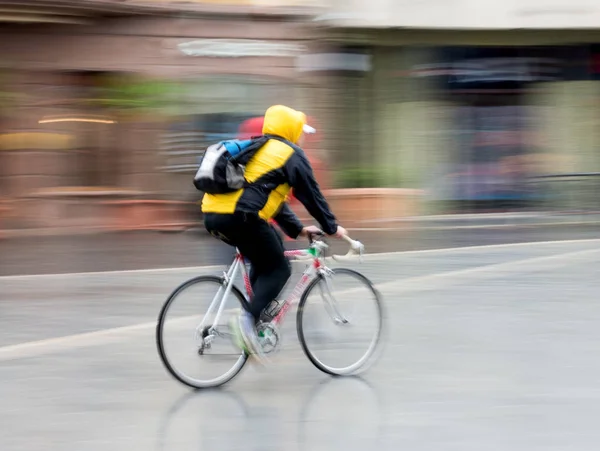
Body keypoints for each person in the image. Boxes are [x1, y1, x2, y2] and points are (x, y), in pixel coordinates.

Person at [202, 105, 347, 360]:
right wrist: (332, 227)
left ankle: (254, 319)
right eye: (301, 131)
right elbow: (311, 196)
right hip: (242, 217)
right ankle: (246, 321)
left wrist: (299, 229)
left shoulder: (257, 148)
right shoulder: (291, 153)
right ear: (290, 129)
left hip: (214, 215)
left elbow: (271, 200)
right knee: (279, 268)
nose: (302, 137)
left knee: (269, 250)